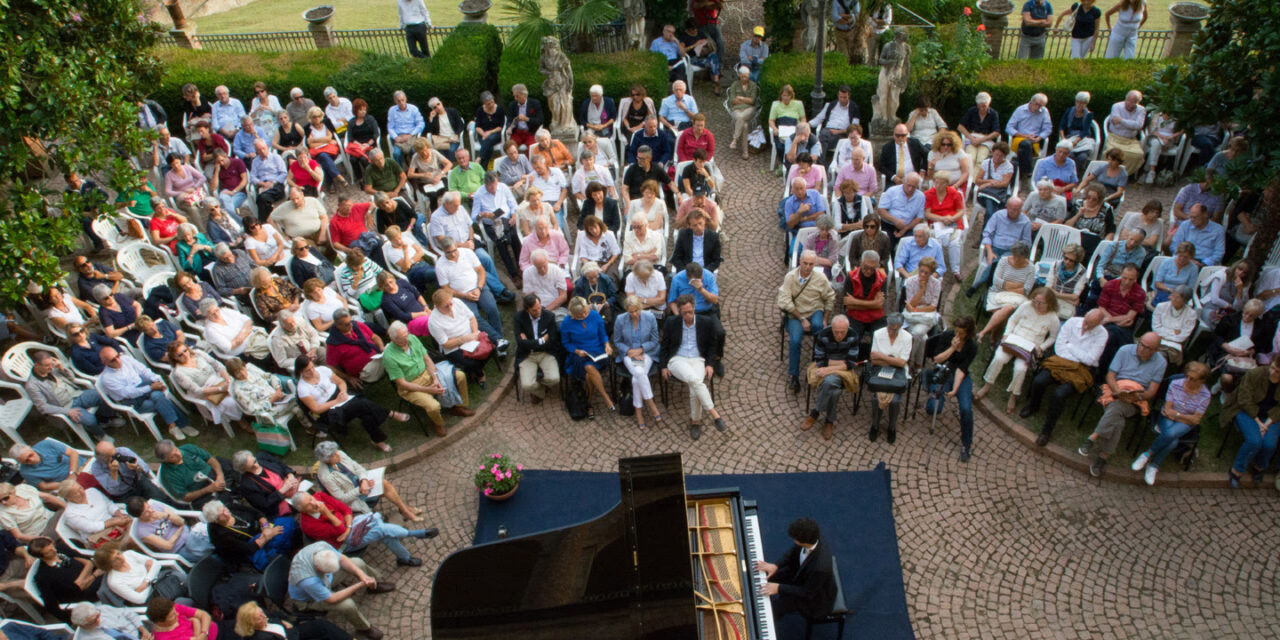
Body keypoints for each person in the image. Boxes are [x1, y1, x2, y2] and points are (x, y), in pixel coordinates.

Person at [1077, 333, 1167, 477]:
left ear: (1155, 350)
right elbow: (1110, 375)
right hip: (1116, 389)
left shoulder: (1161, 362)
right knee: (1118, 417)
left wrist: (1136, 396)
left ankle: (1094, 436)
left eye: (1147, 347)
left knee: (1116, 408)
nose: (1142, 349)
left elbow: (1152, 391)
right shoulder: (1125, 350)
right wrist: (1118, 391)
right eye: (1141, 344)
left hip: (1137, 397)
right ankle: (1103, 456)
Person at [1022, 309, 1108, 445]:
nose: (1086, 326)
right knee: (1039, 381)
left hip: (1081, 370)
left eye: (1090, 325)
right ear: (1084, 316)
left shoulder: (1102, 334)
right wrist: (1076, 354)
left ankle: (1046, 431)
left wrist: (1071, 347)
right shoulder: (1072, 322)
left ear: (1098, 324)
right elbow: (1059, 349)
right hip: (1060, 362)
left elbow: (1091, 360)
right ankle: (1033, 406)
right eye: (1086, 321)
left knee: (1059, 395)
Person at [293, 491, 435, 568]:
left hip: (351, 526)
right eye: (309, 505)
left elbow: (346, 509)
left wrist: (348, 526)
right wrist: (328, 514)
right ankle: (414, 534)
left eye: (311, 498)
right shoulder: (308, 525)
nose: (314, 503)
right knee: (380, 529)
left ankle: (404, 558)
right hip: (344, 543)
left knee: (382, 529)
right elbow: (340, 533)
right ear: (302, 510)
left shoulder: (319, 496)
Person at [975, 288, 1061, 414]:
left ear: (1049, 303)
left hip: (1031, 345)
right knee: (999, 358)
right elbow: (1013, 320)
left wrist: (1041, 347)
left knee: (1020, 368)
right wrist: (1006, 334)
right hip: (1015, 338)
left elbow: (1053, 337)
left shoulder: (1053, 318)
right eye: (1035, 301)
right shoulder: (1026, 306)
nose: (1036, 305)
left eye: (1040, 303)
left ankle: (1013, 395)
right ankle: (987, 385)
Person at [287, 543, 393, 640]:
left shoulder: (321, 547)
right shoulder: (308, 580)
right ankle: (364, 628)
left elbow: (342, 559)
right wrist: (358, 585)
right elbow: (332, 599)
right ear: (319, 568)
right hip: (310, 599)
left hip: (324, 582)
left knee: (357, 562)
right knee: (347, 605)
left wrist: (363, 576)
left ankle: (373, 584)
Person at [296, 357, 403, 453]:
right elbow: (316, 409)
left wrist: (343, 392)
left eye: (312, 367)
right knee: (362, 404)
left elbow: (341, 382)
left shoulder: (322, 370)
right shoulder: (302, 388)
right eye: (307, 371)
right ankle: (389, 413)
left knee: (365, 412)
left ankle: (378, 440)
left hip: (341, 397)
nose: (312, 371)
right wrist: (336, 401)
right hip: (328, 411)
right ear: (301, 372)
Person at [384, 321, 471, 437]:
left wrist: (435, 378)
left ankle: (459, 407)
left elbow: (427, 359)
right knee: (433, 406)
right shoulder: (389, 357)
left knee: (460, 376)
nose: (407, 338)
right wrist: (428, 390)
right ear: (394, 339)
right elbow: (403, 384)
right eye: (404, 337)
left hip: (427, 372)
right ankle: (438, 423)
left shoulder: (412, 338)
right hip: (411, 385)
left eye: (407, 334)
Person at [99, 346, 193, 442]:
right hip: (132, 401)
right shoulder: (107, 378)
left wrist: (155, 380)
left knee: (158, 396)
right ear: (105, 363)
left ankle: (173, 426)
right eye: (112, 360)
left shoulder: (125, 359)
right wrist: (151, 387)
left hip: (143, 387)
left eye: (117, 356)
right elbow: (128, 393)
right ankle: (182, 424)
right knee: (160, 399)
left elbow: (144, 371)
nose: (118, 360)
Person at [753, 517, 836, 621]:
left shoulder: (820, 568)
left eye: (795, 539)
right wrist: (776, 565)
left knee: (774, 609)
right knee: (764, 578)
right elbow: (793, 551)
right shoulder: (813, 537)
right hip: (801, 574)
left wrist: (779, 588)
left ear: (804, 542)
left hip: (814, 598)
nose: (794, 541)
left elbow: (807, 592)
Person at [777, 250, 836, 393]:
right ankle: (794, 376)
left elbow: (830, 297)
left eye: (811, 264)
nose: (808, 267)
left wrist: (825, 319)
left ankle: (818, 364)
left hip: (815, 309)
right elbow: (784, 302)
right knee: (795, 340)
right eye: (805, 263)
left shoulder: (821, 278)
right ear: (799, 262)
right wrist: (801, 318)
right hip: (796, 313)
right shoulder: (790, 277)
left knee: (819, 329)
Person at [24, 350, 115, 443]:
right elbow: (43, 407)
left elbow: (72, 378)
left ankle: (106, 420)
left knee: (103, 395)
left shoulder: (53, 368)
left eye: (51, 363)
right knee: (90, 420)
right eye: (47, 365)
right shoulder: (32, 386)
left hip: (76, 394)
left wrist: (61, 368)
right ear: (36, 365)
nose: (51, 367)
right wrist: (67, 411)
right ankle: (100, 435)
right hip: (64, 406)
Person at [923, 316, 980, 461]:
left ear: (968, 333)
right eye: (957, 331)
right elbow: (937, 359)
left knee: (966, 409)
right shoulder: (948, 336)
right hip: (943, 369)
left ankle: (966, 444)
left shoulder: (972, 346)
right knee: (933, 408)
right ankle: (932, 383)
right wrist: (952, 348)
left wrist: (955, 390)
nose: (957, 335)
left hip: (960, 375)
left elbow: (962, 369)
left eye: (961, 333)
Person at [799, 315, 858, 441]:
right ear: (832, 328)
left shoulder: (853, 336)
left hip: (843, 372)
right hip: (831, 369)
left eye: (843, 332)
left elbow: (851, 363)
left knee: (830, 381)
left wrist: (829, 369)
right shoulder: (823, 335)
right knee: (834, 389)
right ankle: (829, 420)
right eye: (836, 332)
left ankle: (815, 412)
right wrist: (839, 364)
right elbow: (820, 361)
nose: (839, 335)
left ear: (848, 329)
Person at [202, 499, 297, 572]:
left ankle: (290, 549)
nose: (226, 513)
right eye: (221, 515)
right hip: (250, 548)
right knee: (280, 535)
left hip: (263, 530)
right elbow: (249, 549)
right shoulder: (221, 535)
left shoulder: (231, 507)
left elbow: (257, 513)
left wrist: (266, 527)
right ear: (215, 520)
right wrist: (268, 536)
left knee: (287, 524)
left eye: (224, 509)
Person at [429, 289, 499, 385]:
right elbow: (446, 344)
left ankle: (473, 370)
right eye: (446, 307)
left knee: (492, 344)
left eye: (451, 304)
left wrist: (474, 333)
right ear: (437, 307)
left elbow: (472, 318)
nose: (450, 308)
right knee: (472, 363)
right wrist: (462, 340)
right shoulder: (433, 321)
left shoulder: (457, 302)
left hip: (471, 335)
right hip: (454, 347)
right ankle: (479, 374)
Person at [559, 297, 615, 418]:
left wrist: (607, 344)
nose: (584, 315)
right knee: (588, 368)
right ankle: (605, 398)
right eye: (580, 314)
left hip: (597, 352)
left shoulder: (594, 315)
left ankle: (590, 402)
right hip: (579, 355)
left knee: (589, 371)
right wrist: (576, 350)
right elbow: (565, 343)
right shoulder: (567, 323)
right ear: (573, 314)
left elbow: (603, 334)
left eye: (585, 311)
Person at [968, 197, 1031, 295]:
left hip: (1012, 251)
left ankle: (978, 285)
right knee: (995, 262)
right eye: (1013, 209)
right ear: (1007, 207)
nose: (1016, 212)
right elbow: (987, 234)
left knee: (996, 264)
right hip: (994, 248)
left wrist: (1017, 254)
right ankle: (988, 286)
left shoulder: (1025, 221)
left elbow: (1027, 243)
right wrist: (989, 252)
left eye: (1018, 209)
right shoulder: (998, 216)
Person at [28, 536, 102, 613]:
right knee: (108, 579)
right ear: (41, 557)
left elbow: (88, 562)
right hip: (83, 594)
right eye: (49, 551)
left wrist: (85, 578)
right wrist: (94, 575)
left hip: (93, 577)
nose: (54, 550)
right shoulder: (44, 576)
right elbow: (77, 588)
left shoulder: (61, 549)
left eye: (52, 546)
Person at [125, 497, 211, 564]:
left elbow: (181, 521)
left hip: (190, 533)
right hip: (179, 548)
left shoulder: (156, 506)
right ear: (139, 516)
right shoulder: (142, 531)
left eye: (148, 506)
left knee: (210, 538)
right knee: (208, 554)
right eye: (146, 512)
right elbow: (168, 545)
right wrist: (180, 529)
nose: (151, 510)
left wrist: (165, 516)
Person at [154, 440, 229, 507]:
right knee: (224, 505)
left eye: (176, 450)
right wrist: (208, 489)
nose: (178, 454)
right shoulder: (168, 475)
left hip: (215, 475)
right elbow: (185, 497)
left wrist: (220, 476)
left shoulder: (188, 448)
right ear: (166, 460)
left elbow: (211, 459)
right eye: (173, 456)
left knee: (229, 466)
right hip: (201, 493)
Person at [842, 250, 887, 359]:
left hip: (875, 316)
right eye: (866, 267)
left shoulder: (882, 278)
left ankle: (875, 362)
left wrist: (855, 301)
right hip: (855, 315)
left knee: (880, 338)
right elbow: (848, 305)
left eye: (872, 268)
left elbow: (880, 305)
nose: (868, 271)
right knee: (852, 337)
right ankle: (851, 361)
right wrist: (873, 303)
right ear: (861, 263)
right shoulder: (851, 277)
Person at [91, 441, 168, 504]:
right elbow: (113, 490)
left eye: (115, 452)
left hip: (138, 481)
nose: (117, 456)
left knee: (161, 499)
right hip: (123, 494)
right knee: (141, 511)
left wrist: (136, 467)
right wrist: (113, 472)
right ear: (104, 459)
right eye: (113, 456)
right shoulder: (97, 468)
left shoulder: (123, 451)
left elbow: (145, 468)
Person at [199, 299, 271, 366]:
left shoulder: (225, 311)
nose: (217, 315)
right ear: (206, 316)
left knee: (274, 344)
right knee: (270, 350)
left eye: (217, 310)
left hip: (255, 338)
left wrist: (240, 336)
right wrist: (246, 330)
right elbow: (228, 347)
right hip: (244, 352)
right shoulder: (211, 330)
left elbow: (247, 320)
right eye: (212, 314)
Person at [902, 257, 942, 367]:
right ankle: (918, 364)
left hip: (924, 315)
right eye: (921, 271)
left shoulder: (936, 284)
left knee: (916, 333)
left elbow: (933, 306)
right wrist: (921, 290)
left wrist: (915, 310)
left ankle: (908, 360)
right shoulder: (910, 281)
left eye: (927, 273)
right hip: (918, 316)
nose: (923, 275)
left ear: (931, 273)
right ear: (918, 268)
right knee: (922, 337)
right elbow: (912, 302)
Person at [1005, 94, 1052, 179]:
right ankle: (1028, 172)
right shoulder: (1020, 110)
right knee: (1025, 144)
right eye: (1037, 104)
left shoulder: (1044, 111)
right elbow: (1009, 127)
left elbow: (1048, 129)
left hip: (1035, 140)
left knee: (1025, 146)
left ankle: (1018, 174)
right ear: (1032, 101)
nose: (1038, 107)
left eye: (1041, 106)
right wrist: (1025, 136)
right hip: (1020, 138)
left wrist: (1039, 138)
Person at [1152, 285, 1196, 365]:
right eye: (1172, 295)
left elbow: (1183, 335)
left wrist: (1165, 334)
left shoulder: (1191, 314)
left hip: (1175, 345)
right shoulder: (1161, 307)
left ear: (1185, 300)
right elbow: (1156, 327)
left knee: (1162, 356)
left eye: (1177, 297)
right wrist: (1174, 332)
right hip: (1157, 340)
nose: (1172, 298)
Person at [670, 207, 721, 272]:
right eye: (695, 225)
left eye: (700, 223)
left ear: (704, 221)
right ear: (690, 225)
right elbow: (676, 258)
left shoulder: (713, 236)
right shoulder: (683, 235)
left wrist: (705, 272)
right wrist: (685, 271)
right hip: (687, 270)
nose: (698, 227)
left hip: (705, 271)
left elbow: (716, 260)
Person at [68, 602, 150, 640]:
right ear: (83, 625)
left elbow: (128, 613)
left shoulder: (102, 609)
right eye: (93, 620)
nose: (98, 620)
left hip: (141, 632)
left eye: (98, 616)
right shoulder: (88, 638)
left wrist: (143, 630)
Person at [248, 139, 289, 215]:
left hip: (276, 185)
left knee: (261, 198)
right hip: (262, 186)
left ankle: (264, 221)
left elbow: (284, 173)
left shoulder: (276, 157)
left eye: (263, 148)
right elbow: (252, 177)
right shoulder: (255, 161)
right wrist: (263, 184)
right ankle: (270, 220)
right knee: (263, 198)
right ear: (257, 151)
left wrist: (273, 183)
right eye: (259, 150)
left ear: (267, 147)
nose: (262, 151)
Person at [726, 66, 759, 158]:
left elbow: (752, 101)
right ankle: (745, 152)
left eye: (746, 76)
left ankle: (735, 139)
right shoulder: (735, 85)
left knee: (740, 118)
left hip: (749, 109)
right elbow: (732, 100)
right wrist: (745, 100)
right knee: (744, 125)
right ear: (739, 75)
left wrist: (741, 98)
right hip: (737, 109)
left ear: (749, 75)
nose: (744, 78)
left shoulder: (753, 85)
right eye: (742, 76)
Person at [145, 597, 216, 640]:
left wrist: (204, 632)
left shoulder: (172, 608)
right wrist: (196, 622)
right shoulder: (165, 638)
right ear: (160, 622)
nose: (177, 614)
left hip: (211, 627)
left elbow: (204, 614)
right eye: (172, 616)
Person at [386, 91, 424, 165]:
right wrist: (395, 137)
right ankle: (400, 173)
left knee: (414, 151)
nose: (401, 102)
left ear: (406, 99)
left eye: (403, 100)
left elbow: (421, 124)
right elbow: (390, 127)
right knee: (396, 154)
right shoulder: (392, 110)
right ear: (395, 101)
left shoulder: (413, 109)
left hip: (411, 136)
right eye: (398, 101)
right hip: (399, 138)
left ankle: (415, 171)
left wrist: (410, 135)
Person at [504, 84, 543, 151]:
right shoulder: (512, 105)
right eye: (514, 96)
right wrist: (509, 128)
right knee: (510, 147)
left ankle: (529, 161)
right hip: (517, 132)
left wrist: (527, 119)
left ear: (524, 95)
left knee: (532, 149)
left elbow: (540, 120)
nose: (515, 98)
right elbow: (510, 119)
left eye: (517, 96)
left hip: (530, 132)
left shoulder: (535, 103)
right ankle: (514, 161)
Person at [472, 91, 506, 168]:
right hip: (482, 134)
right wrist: (484, 134)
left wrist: (489, 132)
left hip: (496, 133)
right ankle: (483, 169)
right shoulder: (480, 110)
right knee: (489, 147)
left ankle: (479, 158)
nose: (491, 104)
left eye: (492, 102)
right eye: (488, 104)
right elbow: (477, 126)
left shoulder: (499, 109)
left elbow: (500, 127)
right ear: (484, 104)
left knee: (489, 139)